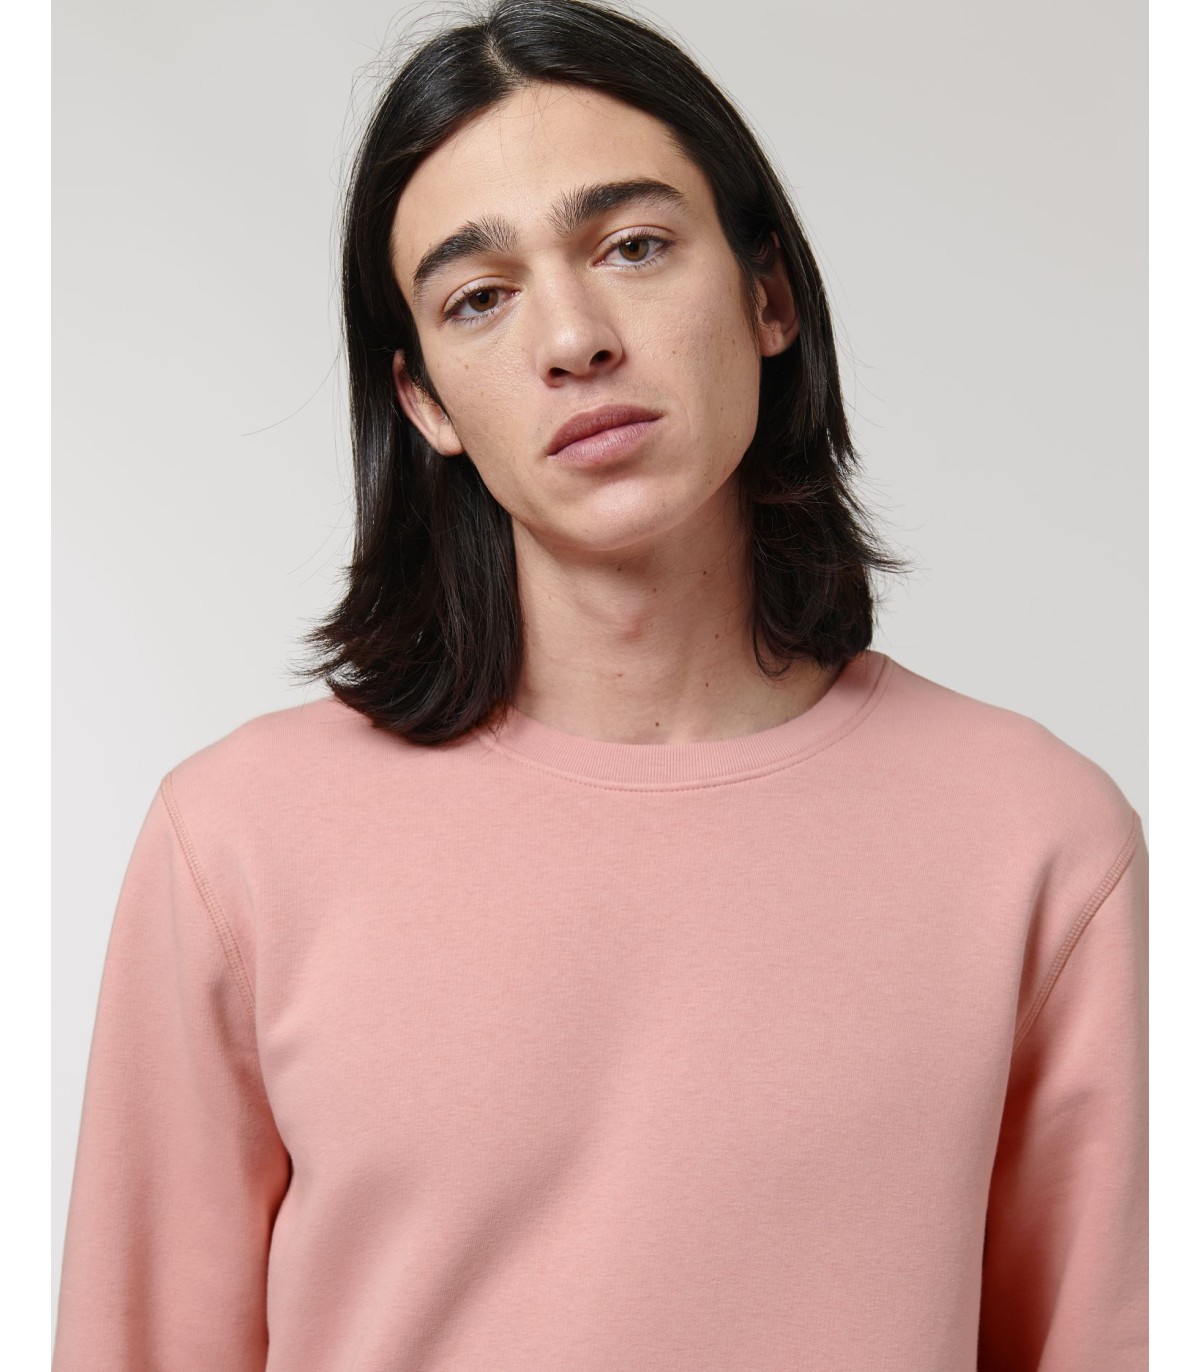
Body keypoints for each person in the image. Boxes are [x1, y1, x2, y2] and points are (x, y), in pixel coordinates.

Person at [52, 1, 1148, 1368]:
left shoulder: (1038, 840)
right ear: (425, 400)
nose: (573, 338)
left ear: (767, 295)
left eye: (633, 246)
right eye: (478, 297)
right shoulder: (238, 843)